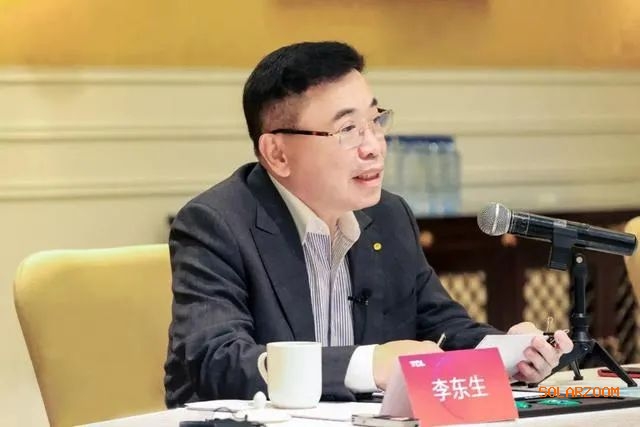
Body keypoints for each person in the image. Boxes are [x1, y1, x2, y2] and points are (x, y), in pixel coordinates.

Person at [164, 41, 573, 408]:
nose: (374, 146)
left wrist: (508, 353)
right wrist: (368, 364)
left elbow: (442, 327)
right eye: (347, 129)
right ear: (277, 153)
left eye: (376, 121)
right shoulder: (217, 224)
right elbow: (218, 361)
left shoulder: (387, 217)